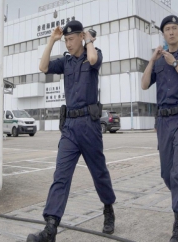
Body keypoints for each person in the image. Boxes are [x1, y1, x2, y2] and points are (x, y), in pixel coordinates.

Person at [27, 20, 116, 242]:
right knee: (61, 175)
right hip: (70, 128)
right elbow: (43, 67)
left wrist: (90, 40)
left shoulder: (92, 54)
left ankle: (108, 207)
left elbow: (94, 59)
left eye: (70, 39)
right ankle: (51, 227)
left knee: (99, 172)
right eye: (65, 40)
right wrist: (51, 40)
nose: (67, 43)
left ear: (80, 37)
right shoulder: (65, 63)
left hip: (89, 125)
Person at [141, 15, 178, 242]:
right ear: (163, 34)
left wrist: (174, 64)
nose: (171, 32)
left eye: (175, 28)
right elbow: (144, 84)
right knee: (166, 174)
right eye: (167, 29)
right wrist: (151, 60)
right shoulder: (158, 60)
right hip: (163, 122)